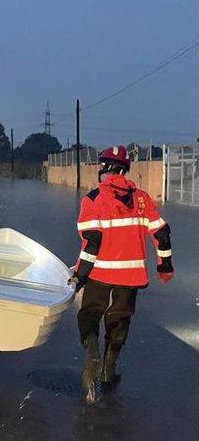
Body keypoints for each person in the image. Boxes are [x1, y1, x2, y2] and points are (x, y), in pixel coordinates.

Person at [71, 145, 174, 401]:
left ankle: (91, 355)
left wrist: (80, 276)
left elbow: (91, 242)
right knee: (119, 321)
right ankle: (108, 370)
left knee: (90, 315)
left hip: (99, 275)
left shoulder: (92, 199)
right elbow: (161, 235)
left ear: (105, 168)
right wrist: (165, 267)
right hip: (130, 277)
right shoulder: (143, 199)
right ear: (125, 169)